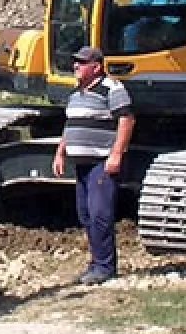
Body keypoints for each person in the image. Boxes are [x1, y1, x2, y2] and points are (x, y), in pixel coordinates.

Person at [51, 45, 135, 285]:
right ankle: (97, 261)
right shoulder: (76, 93)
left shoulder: (112, 89)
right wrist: (60, 153)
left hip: (101, 162)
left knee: (100, 213)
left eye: (82, 62)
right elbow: (71, 125)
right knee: (85, 213)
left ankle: (105, 266)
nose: (76, 66)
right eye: (75, 62)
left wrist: (116, 154)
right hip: (82, 164)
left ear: (96, 67)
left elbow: (126, 120)